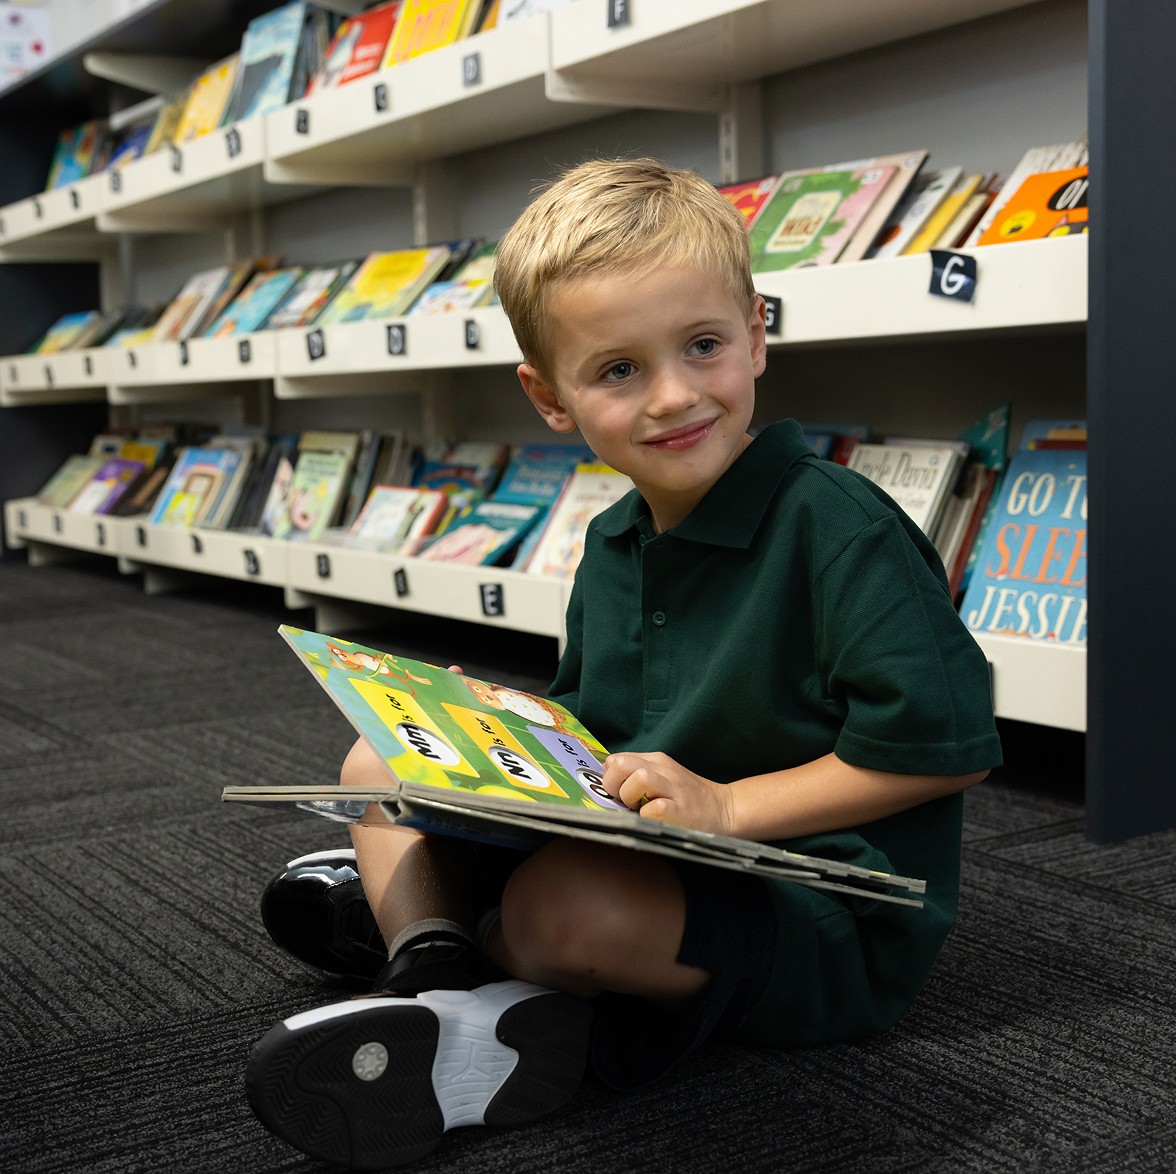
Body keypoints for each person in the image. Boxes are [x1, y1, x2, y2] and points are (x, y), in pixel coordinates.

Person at [245, 158, 1002, 1170]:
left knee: (569, 909)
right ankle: (438, 964)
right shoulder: (612, 542)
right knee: (374, 759)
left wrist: (729, 810)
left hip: (819, 905)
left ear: (756, 336)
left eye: (702, 346)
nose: (675, 396)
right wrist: (501, 732)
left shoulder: (840, 526)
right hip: (656, 847)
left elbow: (942, 751)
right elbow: (604, 728)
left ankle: (442, 947)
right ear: (549, 397)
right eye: (618, 370)